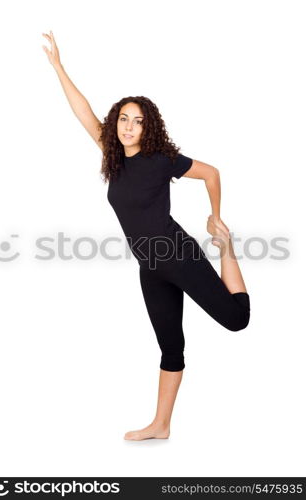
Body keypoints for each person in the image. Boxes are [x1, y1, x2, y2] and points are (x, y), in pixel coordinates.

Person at [42, 31, 251, 441]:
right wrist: (58, 67)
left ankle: (228, 250)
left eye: (138, 121)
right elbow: (83, 112)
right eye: (123, 118)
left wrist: (216, 219)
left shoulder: (161, 160)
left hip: (179, 256)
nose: (128, 126)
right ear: (116, 120)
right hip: (149, 267)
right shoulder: (112, 157)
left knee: (236, 320)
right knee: (170, 346)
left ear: (147, 127)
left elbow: (211, 173)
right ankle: (161, 425)